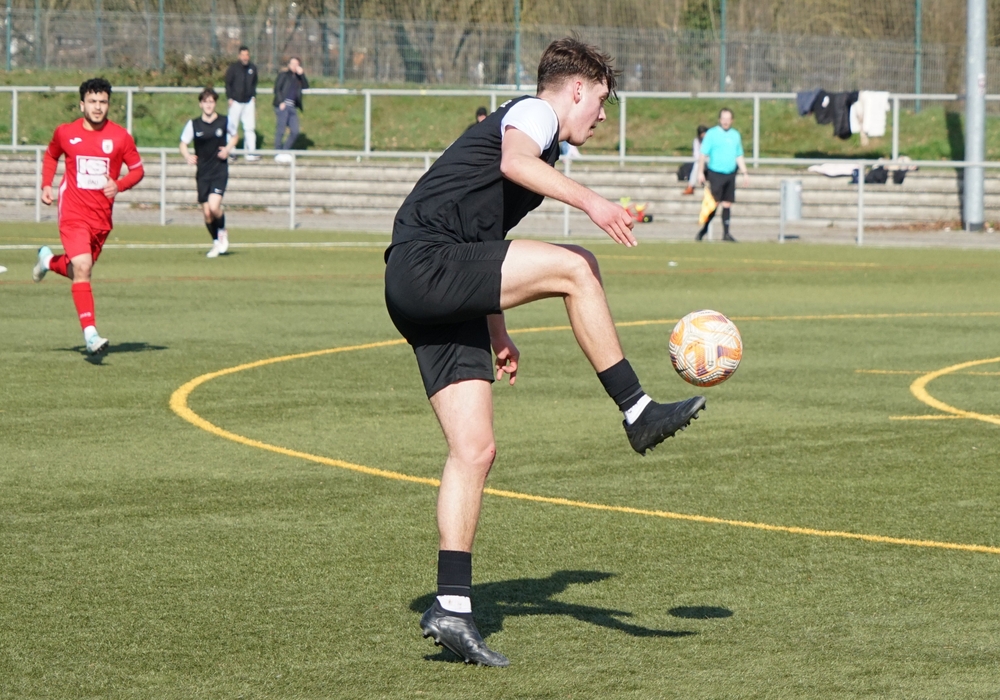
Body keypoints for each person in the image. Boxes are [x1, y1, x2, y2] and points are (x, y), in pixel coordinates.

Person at [384, 38, 706, 667]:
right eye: (601, 101)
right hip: (427, 264)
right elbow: (514, 162)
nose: (603, 116)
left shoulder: (542, 140)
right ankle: (637, 410)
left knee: (474, 451)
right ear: (576, 88)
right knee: (578, 266)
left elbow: (484, 238)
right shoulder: (533, 114)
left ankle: (451, 607)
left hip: (429, 280)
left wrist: (496, 329)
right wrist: (592, 202)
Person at [32, 77, 144, 358]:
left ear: (109, 105)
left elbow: (138, 170)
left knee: (78, 270)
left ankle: (47, 261)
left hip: (101, 218)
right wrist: (46, 184)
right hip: (72, 212)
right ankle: (90, 334)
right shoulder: (66, 133)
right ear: (82, 105)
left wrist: (119, 185)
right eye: (92, 101)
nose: (97, 107)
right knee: (83, 267)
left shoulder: (120, 137)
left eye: (103, 102)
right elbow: (51, 155)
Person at [180, 88, 238, 258]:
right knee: (206, 213)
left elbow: (235, 136)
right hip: (203, 173)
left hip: (219, 170)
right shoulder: (194, 124)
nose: (208, 105)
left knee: (214, 207)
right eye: (205, 102)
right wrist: (187, 155)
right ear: (200, 104)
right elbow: (183, 143)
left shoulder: (224, 121)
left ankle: (222, 230)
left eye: (211, 102)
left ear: (215, 103)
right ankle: (215, 242)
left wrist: (227, 149)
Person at [695, 108, 748, 242]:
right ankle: (704, 230)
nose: (725, 121)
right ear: (719, 120)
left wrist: (745, 173)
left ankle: (726, 233)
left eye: (728, 119)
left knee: (727, 203)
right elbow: (703, 154)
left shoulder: (735, 135)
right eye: (723, 119)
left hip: (730, 174)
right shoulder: (712, 134)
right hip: (715, 173)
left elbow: (739, 155)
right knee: (714, 203)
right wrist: (700, 172)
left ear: (732, 120)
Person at [225, 46, 259, 161]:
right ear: (239, 56)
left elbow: (254, 83)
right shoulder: (233, 68)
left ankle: (250, 153)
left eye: (247, 55)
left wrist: (253, 96)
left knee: (250, 128)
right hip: (235, 102)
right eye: (243, 55)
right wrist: (230, 97)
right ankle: (231, 152)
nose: (245, 57)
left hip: (248, 102)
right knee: (232, 128)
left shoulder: (252, 68)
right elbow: (228, 83)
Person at [272, 57, 308, 164]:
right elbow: (277, 88)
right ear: (289, 65)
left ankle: (284, 151)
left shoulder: (298, 78)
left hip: (292, 107)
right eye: (292, 64)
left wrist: (302, 75)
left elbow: (306, 86)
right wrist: (281, 102)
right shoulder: (283, 75)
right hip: (283, 106)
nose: (294, 66)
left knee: (295, 131)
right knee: (281, 129)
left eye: (296, 64)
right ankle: (277, 152)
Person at [682, 125, 708, 195]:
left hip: (711, 161)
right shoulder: (696, 141)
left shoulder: (711, 140)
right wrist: (702, 158)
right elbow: (696, 154)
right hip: (701, 160)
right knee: (697, 165)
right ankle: (690, 186)